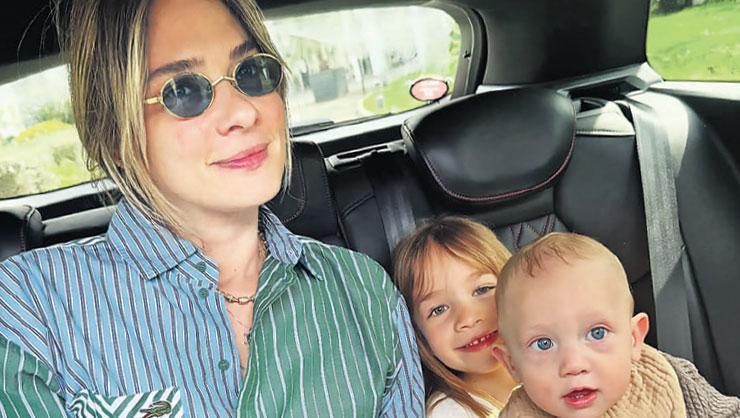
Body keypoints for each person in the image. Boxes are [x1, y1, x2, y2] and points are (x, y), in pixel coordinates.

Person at [0, 0, 423, 416]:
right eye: (183, 91)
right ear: (114, 133)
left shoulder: (364, 292)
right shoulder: (28, 306)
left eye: (252, 72)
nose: (243, 112)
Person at [493, 232, 740, 418]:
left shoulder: (665, 377)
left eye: (597, 333)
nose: (574, 365)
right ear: (511, 363)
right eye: (543, 344)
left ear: (633, 338)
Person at [393, 216, 517, 417]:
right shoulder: (449, 412)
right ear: (419, 335)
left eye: (482, 289)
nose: (467, 319)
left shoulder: (560, 365)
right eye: (438, 309)